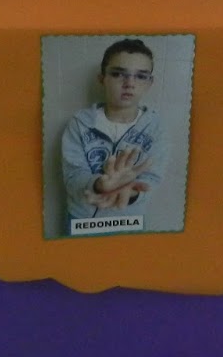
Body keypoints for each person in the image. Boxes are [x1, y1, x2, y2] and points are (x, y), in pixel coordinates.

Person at [60, 38, 164, 225]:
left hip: (129, 221)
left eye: (141, 76)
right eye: (118, 74)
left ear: (150, 83)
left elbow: (152, 179)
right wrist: (99, 185)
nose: (129, 83)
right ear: (102, 79)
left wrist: (128, 192)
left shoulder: (156, 128)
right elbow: (73, 176)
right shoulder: (79, 124)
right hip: (82, 219)